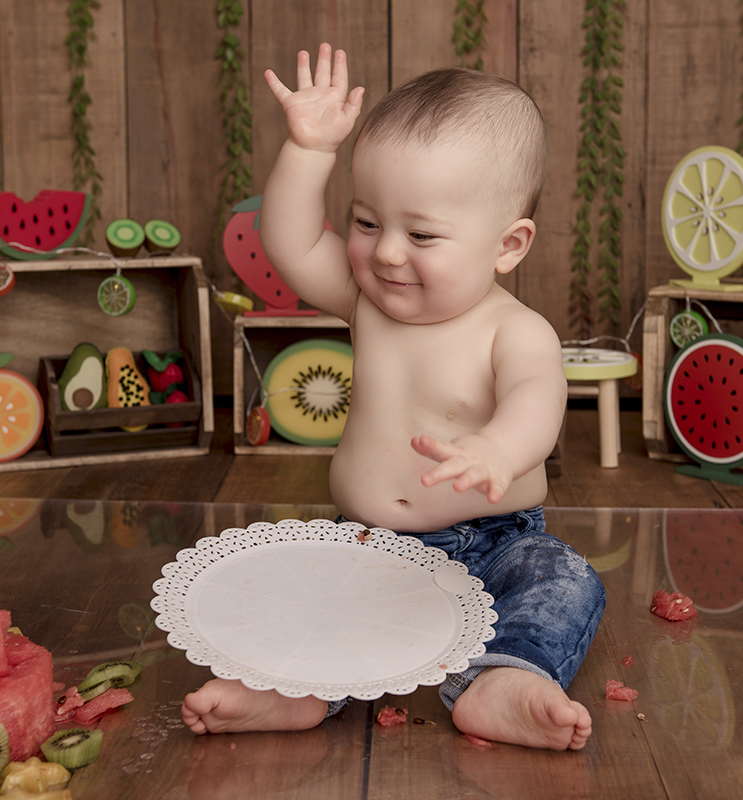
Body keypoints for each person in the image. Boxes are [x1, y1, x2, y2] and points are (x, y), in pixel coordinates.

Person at [182, 44, 606, 751]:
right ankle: (289, 685)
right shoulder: (368, 301)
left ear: (508, 245)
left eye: (422, 234)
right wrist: (309, 149)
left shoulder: (515, 331)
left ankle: (507, 678)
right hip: (366, 542)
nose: (385, 253)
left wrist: (498, 449)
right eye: (367, 222)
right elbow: (289, 242)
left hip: (495, 541)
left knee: (562, 579)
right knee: (302, 585)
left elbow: (537, 399)